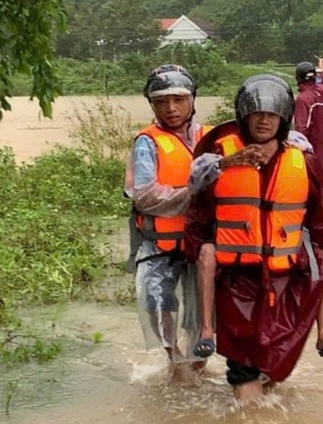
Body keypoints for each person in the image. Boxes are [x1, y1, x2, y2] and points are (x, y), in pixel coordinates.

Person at [185, 74, 323, 401]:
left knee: (275, 365)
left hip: (286, 281)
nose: (264, 120)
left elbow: (321, 224)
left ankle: (321, 338)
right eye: (257, 113)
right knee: (242, 366)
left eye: (272, 114)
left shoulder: (302, 160)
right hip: (236, 281)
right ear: (243, 115)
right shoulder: (219, 155)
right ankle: (248, 405)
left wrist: (310, 257)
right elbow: (198, 207)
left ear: (283, 117)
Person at [124, 64, 217, 374]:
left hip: (202, 243)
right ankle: (174, 367)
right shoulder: (147, 142)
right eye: (162, 102)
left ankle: (199, 369)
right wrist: (191, 193)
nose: (171, 108)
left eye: (178, 100)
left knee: (203, 312)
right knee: (159, 307)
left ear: (192, 100)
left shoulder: (209, 137)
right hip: (159, 244)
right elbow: (146, 195)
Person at [294, 58, 323, 207]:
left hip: (312, 146)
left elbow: (302, 128)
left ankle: (318, 204)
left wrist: (296, 148)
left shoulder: (303, 99)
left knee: (313, 176)